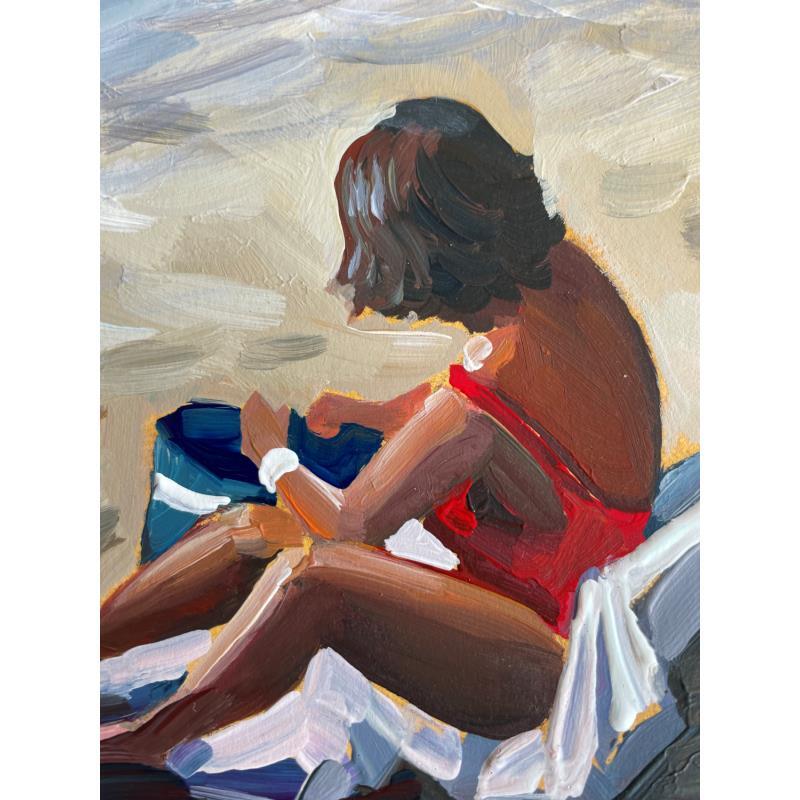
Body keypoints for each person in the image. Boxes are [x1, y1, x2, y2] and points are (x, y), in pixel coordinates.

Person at [101, 97, 661, 765]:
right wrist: (373, 414)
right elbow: (519, 425)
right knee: (245, 532)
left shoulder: (484, 385)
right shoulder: (565, 280)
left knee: (314, 582)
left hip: (542, 655)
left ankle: (145, 744)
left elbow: (348, 525)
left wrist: (273, 456)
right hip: (555, 581)